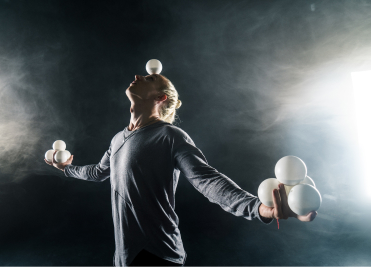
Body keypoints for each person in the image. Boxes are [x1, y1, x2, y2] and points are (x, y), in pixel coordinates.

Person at [45, 74, 317, 266]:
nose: (139, 75)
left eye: (150, 79)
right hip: (124, 256)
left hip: (158, 255)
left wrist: (261, 209)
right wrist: (66, 169)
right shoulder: (118, 139)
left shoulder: (170, 136)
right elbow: (97, 172)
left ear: (160, 98)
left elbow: (208, 181)